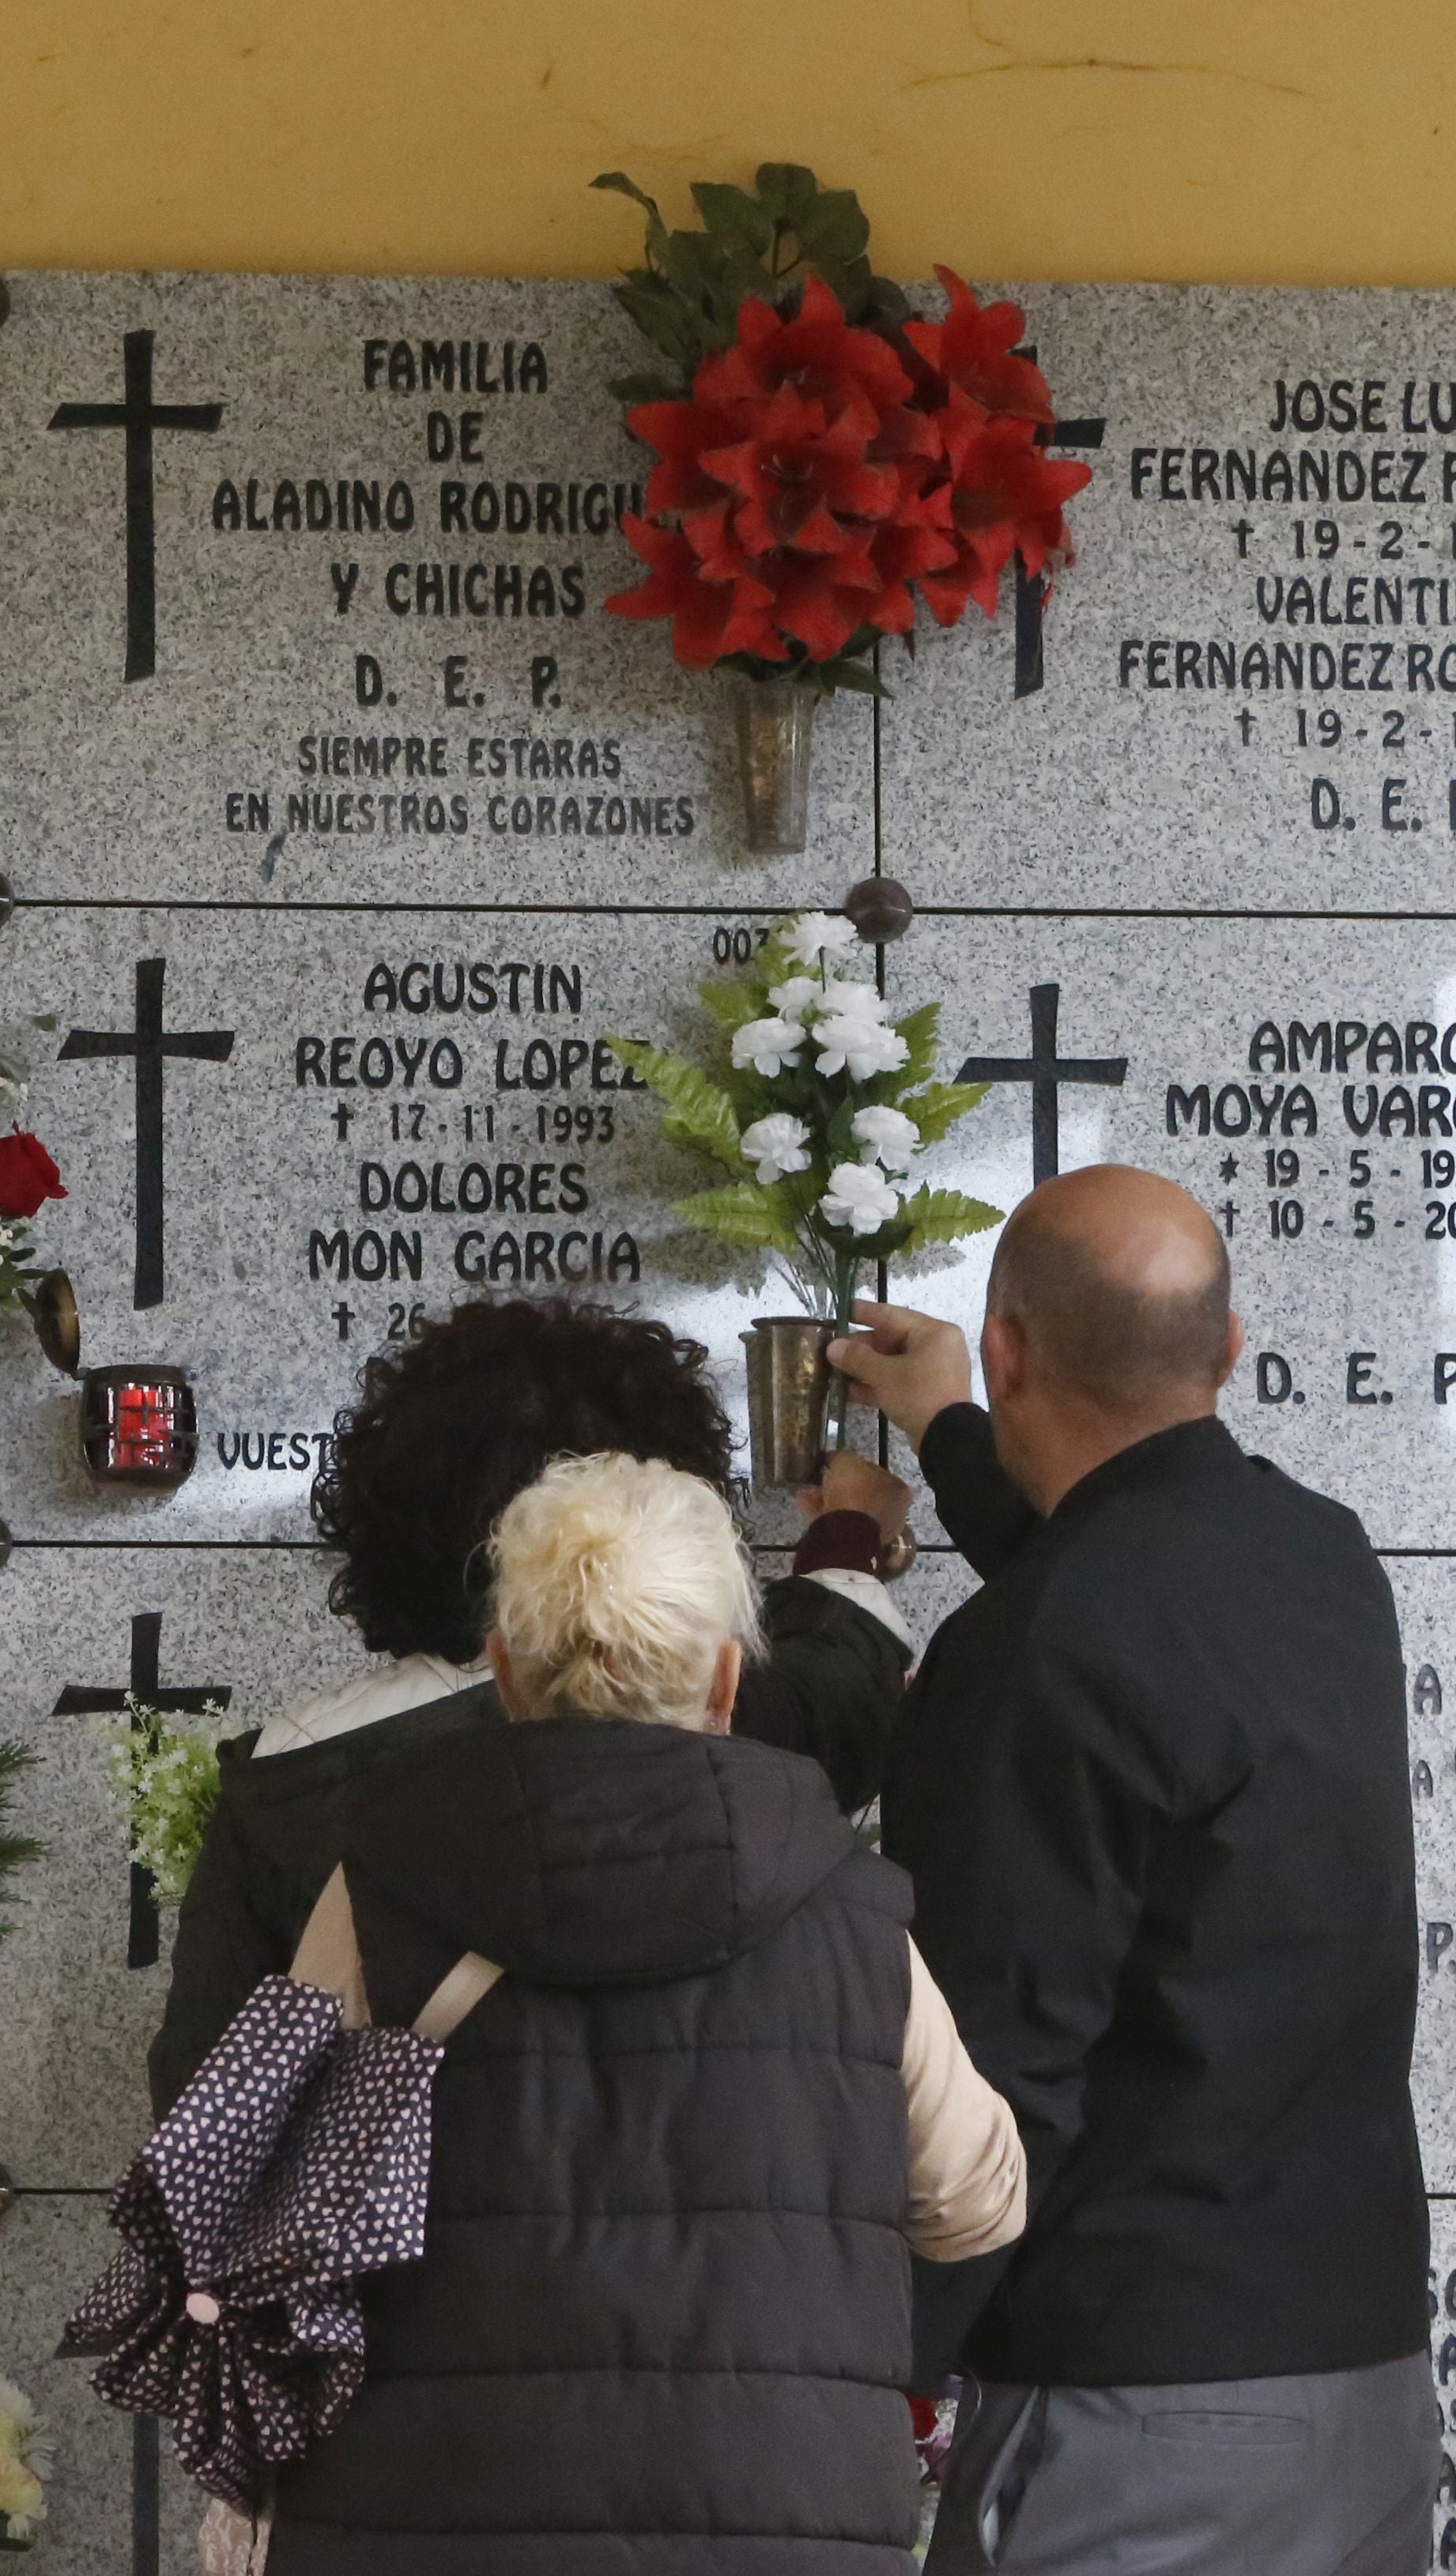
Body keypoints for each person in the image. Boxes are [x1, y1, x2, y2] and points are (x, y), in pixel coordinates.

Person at [261, 1450, 1026, 2574]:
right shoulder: (852, 1917)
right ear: (723, 1683)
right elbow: (977, 2202)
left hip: (423, 2514)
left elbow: (286, 2199)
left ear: (505, 1673)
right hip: (775, 2519)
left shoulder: (377, 1887)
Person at [829, 1165, 1437, 2576]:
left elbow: (987, 2088)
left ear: (1009, 1347)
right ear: (1228, 1351)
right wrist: (952, 1431)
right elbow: (1130, 1585)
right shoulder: (1323, 1558)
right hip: (1366, 2396)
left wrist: (862, 2364)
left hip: (1139, 2424)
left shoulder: (1033, 1653)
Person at [149, 1295, 912, 2117]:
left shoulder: (289, 1780)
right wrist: (848, 1537)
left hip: (417, 2244)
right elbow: (837, 1689)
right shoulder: (713, 1723)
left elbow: (207, 2108)